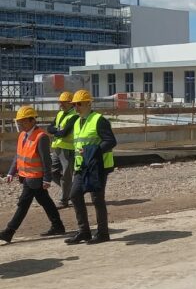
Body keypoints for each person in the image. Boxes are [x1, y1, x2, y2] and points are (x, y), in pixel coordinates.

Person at [0, 106, 66, 243]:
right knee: (45, 201)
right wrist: (11, 172)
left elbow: (46, 160)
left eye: (23, 121)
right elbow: (18, 155)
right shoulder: (22, 135)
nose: (20, 124)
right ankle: (58, 226)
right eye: (19, 121)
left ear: (32, 120)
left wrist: (47, 179)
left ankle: (9, 232)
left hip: (35, 178)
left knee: (23, 204)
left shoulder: (41, 137)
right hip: (25, 177)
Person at [64, 90, 117, 244]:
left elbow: (110, 141)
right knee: (74, 195)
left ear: (88, 103)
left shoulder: (99, 120)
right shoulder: (77, 121)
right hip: (81, 167)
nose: (76, 107)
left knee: (97, 199)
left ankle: (103, 233)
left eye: (79, 104)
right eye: (74, 104)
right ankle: (84, 232)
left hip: (97, 167)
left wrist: (91, 151)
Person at [47, 91, 78, 209]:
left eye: (64, 102)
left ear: (71, 103)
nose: (61, 104)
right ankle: (70, 191)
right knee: (52, 172)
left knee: (66, 175)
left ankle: (64, 200)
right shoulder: (60, 114)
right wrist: (57, 131)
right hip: (57, 147)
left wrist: (56, 131)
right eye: (60, 102)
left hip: (68, 149)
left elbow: (64, 133)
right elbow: (49, 128)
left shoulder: (74, 116)